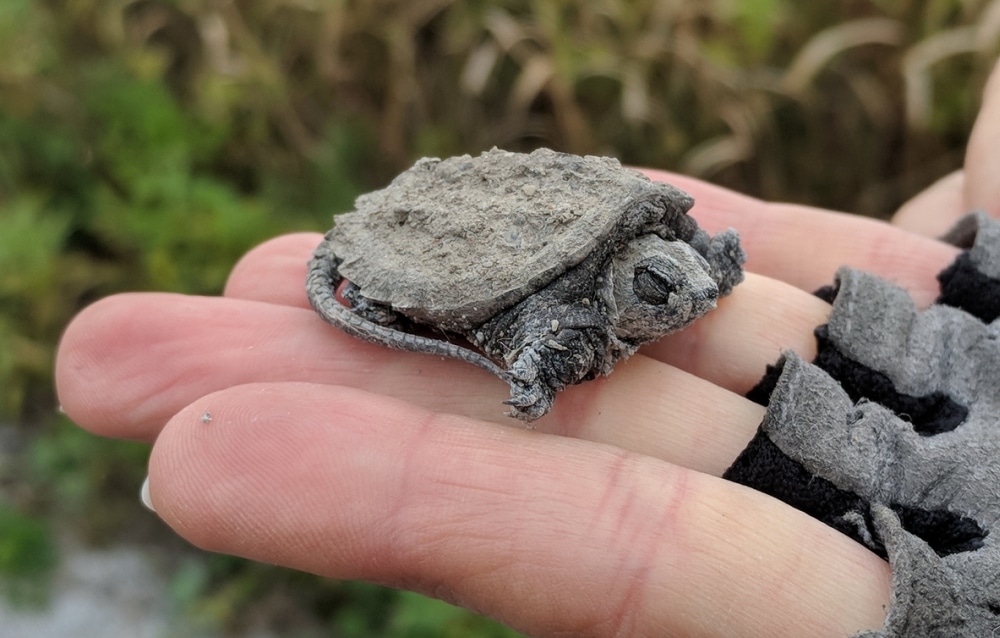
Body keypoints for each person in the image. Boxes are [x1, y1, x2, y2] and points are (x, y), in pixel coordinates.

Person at [55, 60, 1000, 638]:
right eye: (662, 291)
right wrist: (535, 373)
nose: (695, 291)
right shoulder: (562, 313)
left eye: (680, 272)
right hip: (440, 248)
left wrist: (692, 275)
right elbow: (544, 347)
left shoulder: (675, 253)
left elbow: (700, 261)